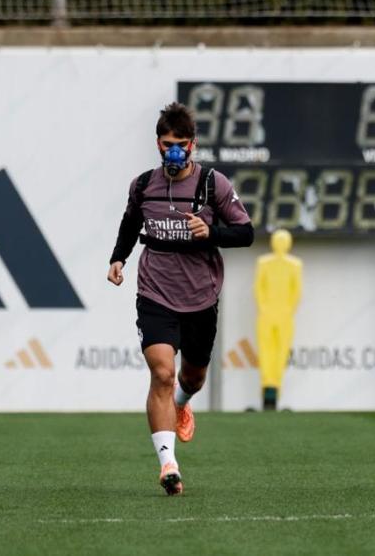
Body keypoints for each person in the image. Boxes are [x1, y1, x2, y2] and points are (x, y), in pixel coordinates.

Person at [107, 103, 253, 496]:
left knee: (191, 378)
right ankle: (168, 464)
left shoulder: (212, 184)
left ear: (193, 144)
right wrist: (118, 258)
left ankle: (183, 403)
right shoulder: (143, 185)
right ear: (158, 143)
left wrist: (211, 232)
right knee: (161, 373)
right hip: (154, 292)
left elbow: (246, 232)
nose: (174, 152)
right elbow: (130, 222)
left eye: (181, 145)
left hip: (201, 296)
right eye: (167, 144)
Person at [254, 229, 302, 411]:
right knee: (267, 354)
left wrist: (289, 309)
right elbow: (259, 288)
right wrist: (264, 307)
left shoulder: (295, 265)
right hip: (268, 316)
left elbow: (296, 291)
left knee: (280, 355)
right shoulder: (263, 263)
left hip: (283, 316)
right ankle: (268, 391)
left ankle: (274, 390)